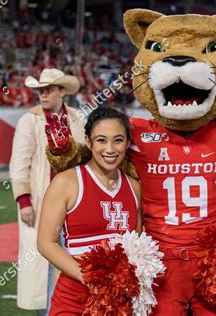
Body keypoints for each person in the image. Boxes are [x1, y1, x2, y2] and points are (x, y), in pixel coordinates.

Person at [37, 106, 142, 314]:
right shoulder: (67, 182)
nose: (110, 149)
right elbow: (46, 243)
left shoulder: (134, 186)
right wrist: (91, 277)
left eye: (118, 140)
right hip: (75, 298)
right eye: (101, 140)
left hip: (119, 300)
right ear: (88, 141)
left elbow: (138, 243)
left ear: (128, 143)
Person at [9, 68, 86, 313]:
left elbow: (84, 157)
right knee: (44, 265)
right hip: (42, 203)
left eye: (49, 90)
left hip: (73, 203)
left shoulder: (76, 118)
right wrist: (23, 200)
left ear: (61, 92)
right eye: (40, 91)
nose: (43, 95)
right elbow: (19, 162)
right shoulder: (28, 120)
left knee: (71, 262)